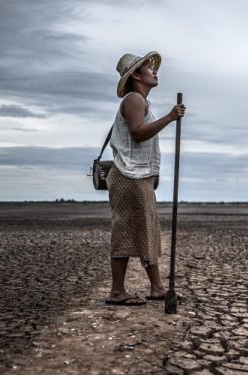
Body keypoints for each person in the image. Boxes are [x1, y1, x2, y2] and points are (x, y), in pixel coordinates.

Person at [105, 51, 185, 306]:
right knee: (126, 230)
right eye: (148, 68)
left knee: (146, 230)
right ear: (136, 75)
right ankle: (117, 291)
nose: (154, 71)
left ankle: (157, 286)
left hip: (138, 176)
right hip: (129, 175)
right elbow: (138, 134)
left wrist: (153, 174)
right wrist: (170, 118)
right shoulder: (134, 99)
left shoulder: (141, 101)